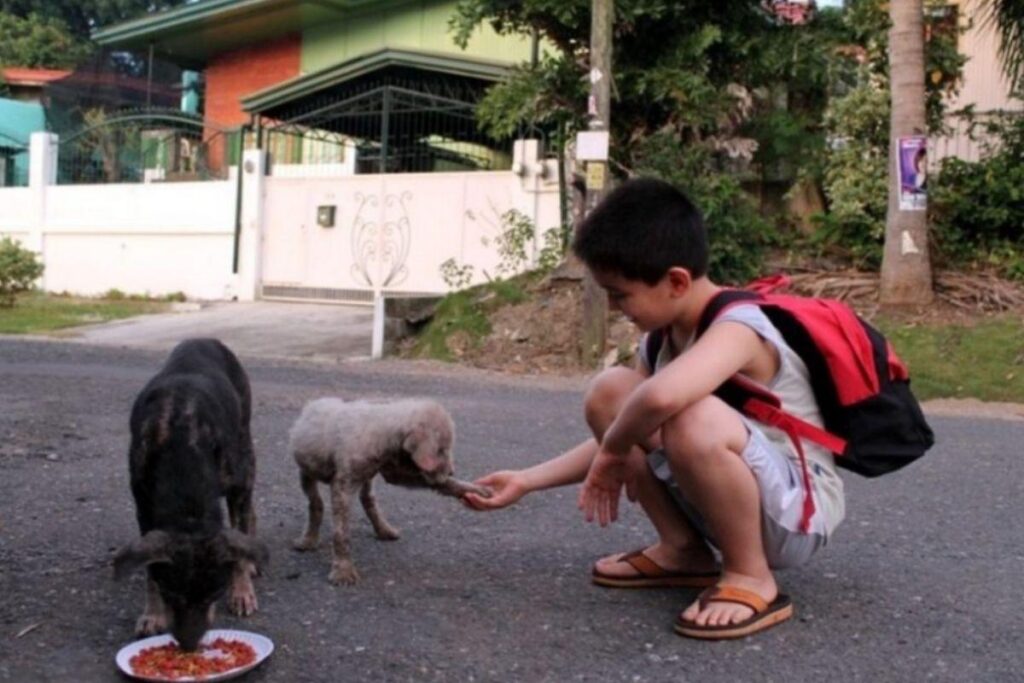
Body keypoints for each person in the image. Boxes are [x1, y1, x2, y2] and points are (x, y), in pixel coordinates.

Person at [464, 178, 845, 639]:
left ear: (677, 281)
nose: (614, 306)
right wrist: (527, 480)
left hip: (796, 515)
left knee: (687, 413)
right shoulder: (661, 341)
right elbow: (625, 424)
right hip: (736, 499)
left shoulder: (740, 328)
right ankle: (684, 550)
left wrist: (613, 452)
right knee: (612, 394)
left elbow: (661, 403)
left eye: (620, 294)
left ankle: (750, 575)